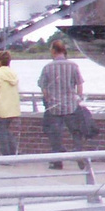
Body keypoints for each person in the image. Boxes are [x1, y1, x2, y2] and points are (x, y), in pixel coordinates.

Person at [38, 39, 86, 168]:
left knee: (55, 135)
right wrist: (78, 98)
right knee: (76, 132)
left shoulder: (48, 67)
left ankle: (57, 161)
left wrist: (48, 99)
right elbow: (79, 84)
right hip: (71, 105)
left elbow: (43, 86)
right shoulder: (73, 66)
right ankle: (78, 155)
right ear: (64, 51)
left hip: (54, 107)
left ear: (53, 51)